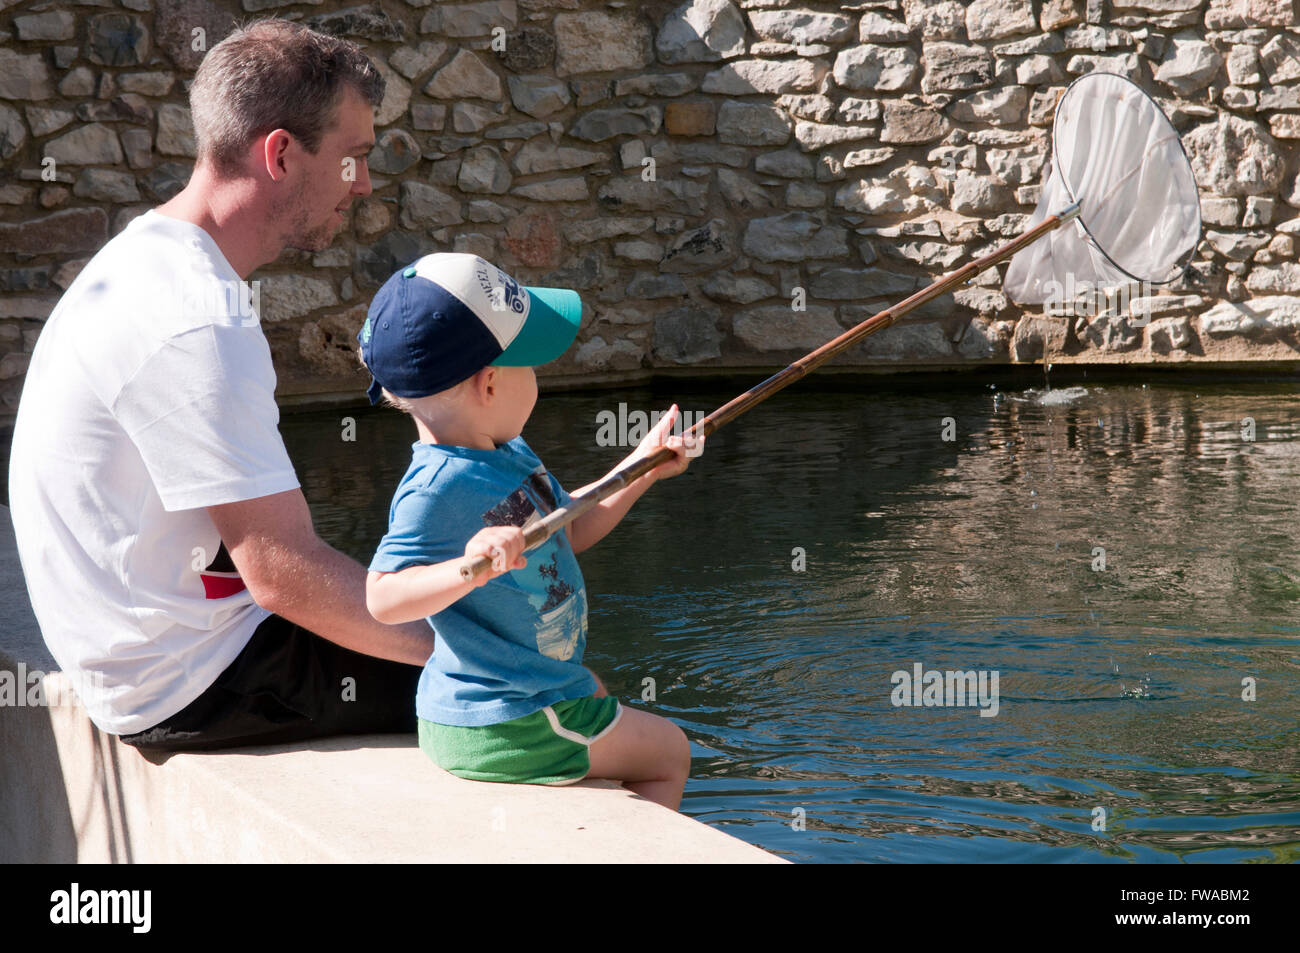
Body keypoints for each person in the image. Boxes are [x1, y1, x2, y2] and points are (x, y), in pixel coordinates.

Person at [6, 20, 546, 752]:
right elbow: (282, 574)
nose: (366, 183)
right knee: (535, 690)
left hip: (143, 652)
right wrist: (487, 649)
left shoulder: (146, 259)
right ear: (282, 153)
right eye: (352, 159)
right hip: (197, 678)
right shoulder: (199, 320)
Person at [359, 252, 701, 810]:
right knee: (670, 751)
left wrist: (643, 467)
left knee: (593, 688)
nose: (538, 376)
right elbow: (382, 597)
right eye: (530, 364)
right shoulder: (436, 487)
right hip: (502, 721)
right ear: (491, 384)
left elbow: (572, 526)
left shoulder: (506, 449)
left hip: (525, 696)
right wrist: (468, 566)